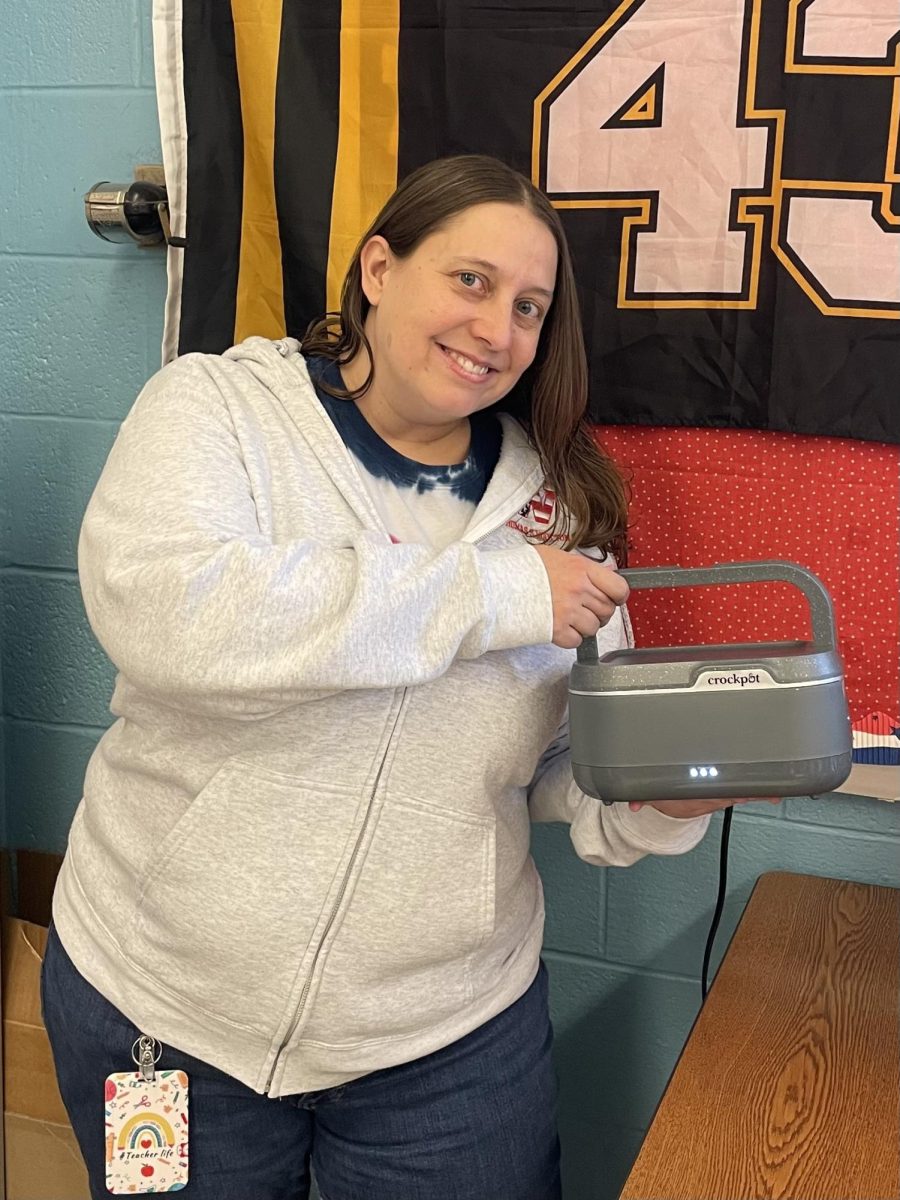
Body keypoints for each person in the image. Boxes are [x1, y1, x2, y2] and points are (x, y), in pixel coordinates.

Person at [42, 154, 768, 1200]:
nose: (497, 329)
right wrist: (494, 596)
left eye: (528, 306)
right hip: (161, 1010)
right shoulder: (217, 411)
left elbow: (567, 771)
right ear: (378, 268)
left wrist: (658, 797)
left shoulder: (564, 513)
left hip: (447, 1042)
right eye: (469, 281)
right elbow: (172, 617)